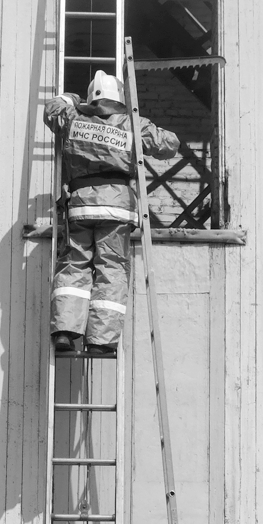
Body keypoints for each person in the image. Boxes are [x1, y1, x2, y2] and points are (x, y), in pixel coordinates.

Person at [44, 70, 179, 355]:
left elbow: (52, 108)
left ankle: (66, 333)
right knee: (112, 269)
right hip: (118, 207)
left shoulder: (74, 120)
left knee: (74, 266)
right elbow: (170, 144)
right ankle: (101, 343)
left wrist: (73, 98)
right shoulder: (133, 124)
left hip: (80, 205)